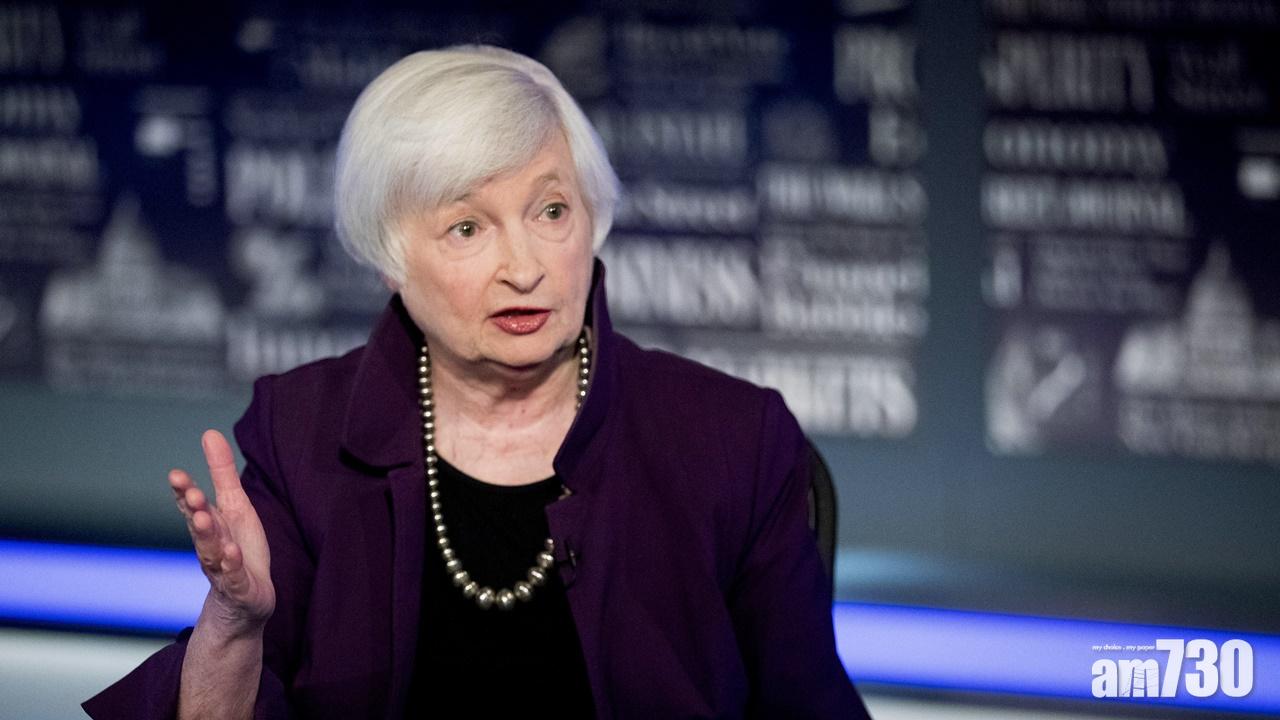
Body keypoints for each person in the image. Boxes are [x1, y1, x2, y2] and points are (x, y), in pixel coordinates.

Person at [84, 45, 870, 719]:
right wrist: (233, 628)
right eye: (467, 227)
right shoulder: (301, 434)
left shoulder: (730, 439)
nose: (524, 268)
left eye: (551, 211)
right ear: (389, 260)